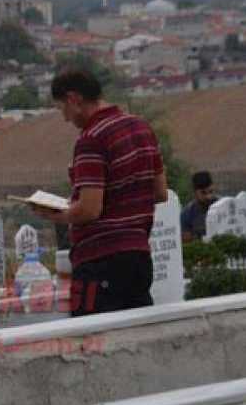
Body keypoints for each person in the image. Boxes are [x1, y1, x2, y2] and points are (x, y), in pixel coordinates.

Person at [32, 69, 167, 317]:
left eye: (62, 109)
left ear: (74, 99)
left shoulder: (91, 139)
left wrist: (55, 215)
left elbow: (90, 209)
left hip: (101, 262)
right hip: (139, 257)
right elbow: (160, 193)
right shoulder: (141, 128)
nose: (65, 119)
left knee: (92, 344)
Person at [180, 171, 217, 243]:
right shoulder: (187, 214)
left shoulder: (222, 206)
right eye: (203, 193)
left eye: (211, 192)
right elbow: (187, 241)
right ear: (194, 192)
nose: (208, 197)